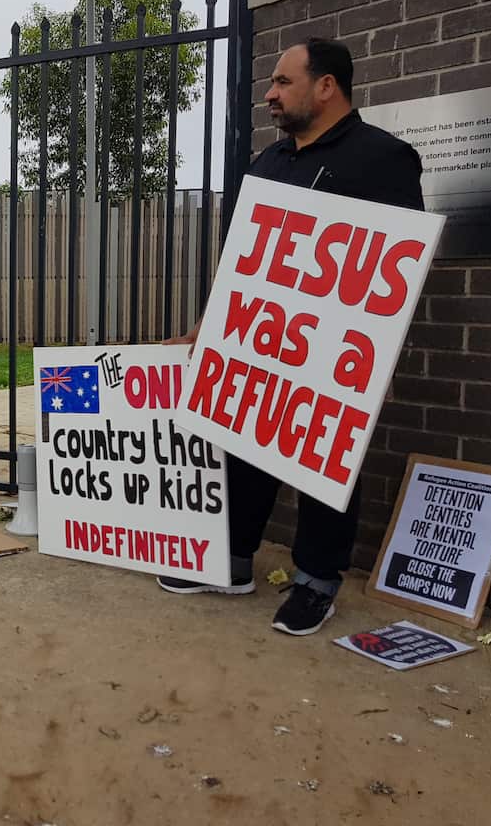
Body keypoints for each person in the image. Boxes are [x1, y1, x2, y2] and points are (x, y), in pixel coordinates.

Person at [160, 38, 425, 636]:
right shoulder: (267, 165)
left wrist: (380, 361)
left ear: (326, 86)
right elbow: (240, 265)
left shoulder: (383, 158)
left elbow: (399, 269)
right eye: (270, 86)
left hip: (335, 355)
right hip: (261, 341)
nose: (271, 96)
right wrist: (204, 331)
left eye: (282, 82)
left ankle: (316, 583)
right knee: (242, 436)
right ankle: (230, 562)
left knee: (323, 457)